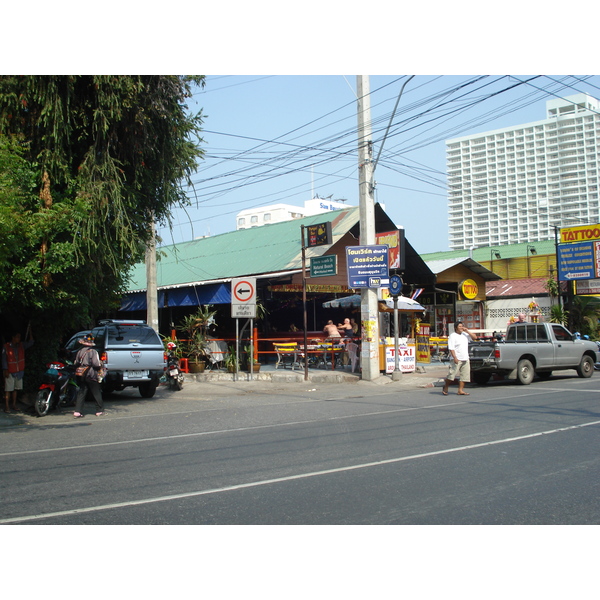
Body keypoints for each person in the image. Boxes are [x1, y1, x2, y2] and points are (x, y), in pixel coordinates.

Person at [73, 334, 106, 418]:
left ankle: (77, 411)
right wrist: (101, 365)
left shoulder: (80, 351)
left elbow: (76, 362)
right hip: (91, 374)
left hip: (81, 374)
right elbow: (96, 364)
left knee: (82, 392)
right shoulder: (93, 352)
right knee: (96, 392)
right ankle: (99, 410)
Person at [2, 328, 34, 413]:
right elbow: (4, 359)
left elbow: (31, 342)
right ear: (13, 337)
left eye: (19, 337)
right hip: (10, 371)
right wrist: (5, 369)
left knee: (15, 390)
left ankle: (14, 405)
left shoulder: (21, 346)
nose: (18, 339)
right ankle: (7, 406)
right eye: (17, 337)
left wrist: (30, 331)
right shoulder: (7, 346)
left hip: (19, 371)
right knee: (8, 390)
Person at [442, 321, 477, 396]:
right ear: (456, 328)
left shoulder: (465, 334)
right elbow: (451, 348)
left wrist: (467, 330)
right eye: (459, 326)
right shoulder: (453, 336)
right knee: (452, 375)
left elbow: (475, 338)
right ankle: (446, 386)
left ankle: (460, 390)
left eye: (462, 326)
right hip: (457, 358)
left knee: (464, 375)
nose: (461, 328)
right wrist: (455, 357)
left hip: (465, 358)